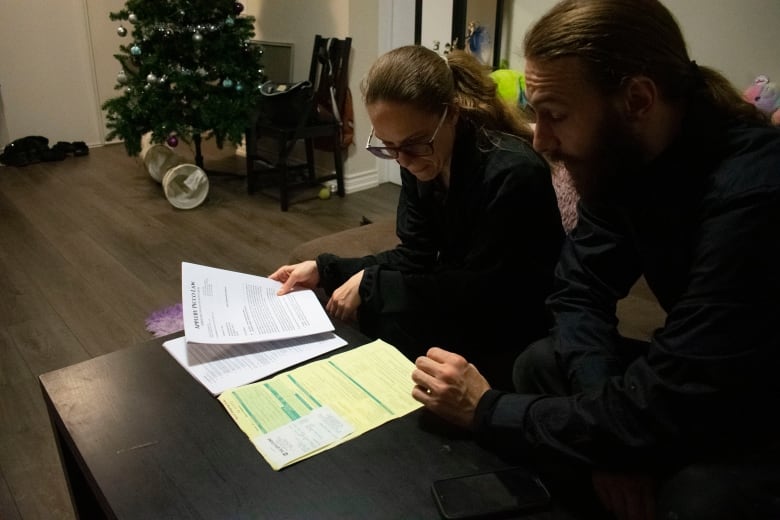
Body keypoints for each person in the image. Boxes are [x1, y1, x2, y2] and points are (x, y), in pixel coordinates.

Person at [411, 1, 780, 518]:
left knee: (700, 498)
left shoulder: (754, 194)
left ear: (637, 99)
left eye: (555, 115)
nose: (539, 139)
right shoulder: (626, 156)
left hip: (760, 401)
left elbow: (685, 393)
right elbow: (580, 288)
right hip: (702, 384)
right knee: (540, 362)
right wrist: (611, 435)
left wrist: (487, 409)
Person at [269, 45, 565, 391]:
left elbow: (482, 291)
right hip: (468, 300)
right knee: (361, 315)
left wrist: (371, 283)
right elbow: (414, 256)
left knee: (380, 318)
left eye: (414, 143)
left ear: (451, 114)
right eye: (388, 146)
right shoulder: (418, 160)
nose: (403, 161)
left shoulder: (513, 173)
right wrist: (325, 268)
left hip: (512, 317)